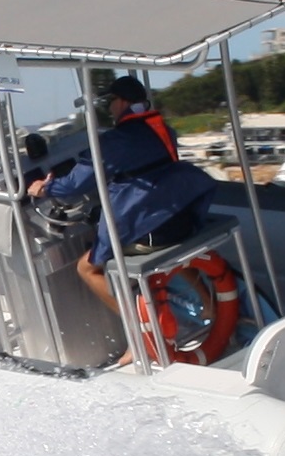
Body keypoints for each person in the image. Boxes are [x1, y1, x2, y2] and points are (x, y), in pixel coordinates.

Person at [28, 74, 215, 314]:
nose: (110, 108)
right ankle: (208, 303)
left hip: (153, 234)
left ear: (123, 102)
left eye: (111, 101)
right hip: (183, 218)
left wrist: (44, 188)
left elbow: (74, 184)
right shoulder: (162, 130)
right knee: (174, 244)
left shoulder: (115, 141)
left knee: (87, 268)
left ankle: (136, 329)